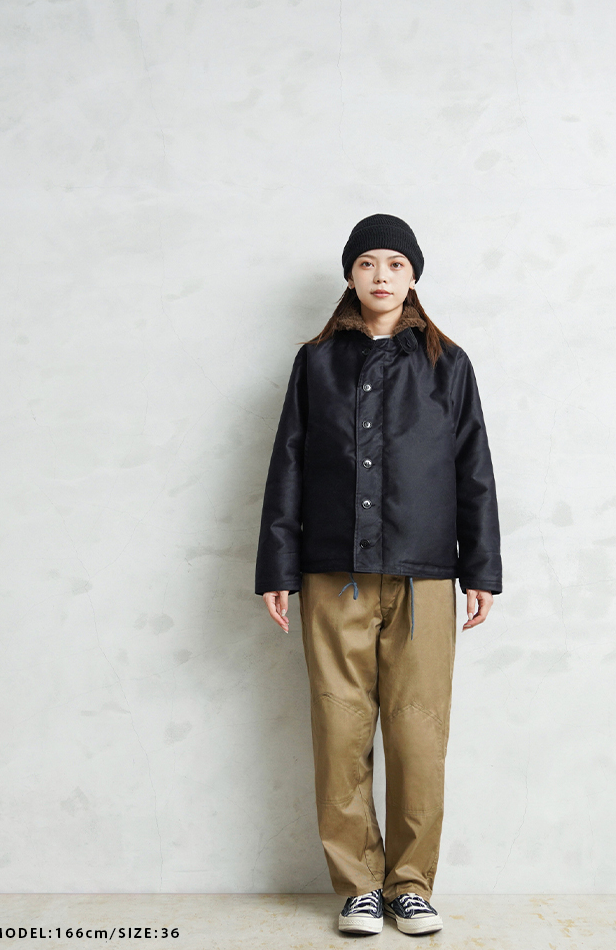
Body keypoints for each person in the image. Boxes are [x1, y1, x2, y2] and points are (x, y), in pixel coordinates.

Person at [255, 213, 502, 936]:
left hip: (425, 575)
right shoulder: (316, 363)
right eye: (368, 263)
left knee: (419, 732)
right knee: (340, 726)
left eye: (395, 263)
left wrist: (481, 568)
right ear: (351, 275)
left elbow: (474, 469)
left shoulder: (447, 364)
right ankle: (359, 886)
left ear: (413, 275)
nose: (382, 275)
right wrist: (277, 567)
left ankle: (411, 885)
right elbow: (288, 463)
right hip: (333, 572)